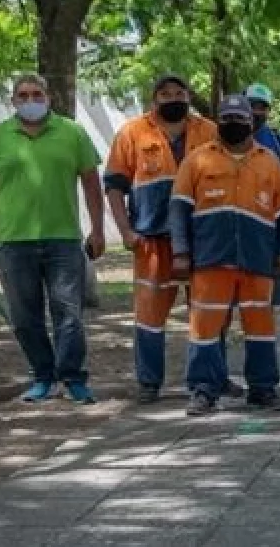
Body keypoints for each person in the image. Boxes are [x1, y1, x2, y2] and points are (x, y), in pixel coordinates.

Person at [0, 74, 105, 404]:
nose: (31, 100)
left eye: (37, 94)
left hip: (63, 239)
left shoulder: (72, 133)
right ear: (13, 101)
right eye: (23, 95)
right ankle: (43, 376)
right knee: (24, 317)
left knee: (69, 314)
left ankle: (72, 377)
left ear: (48, 97)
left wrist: (98, 229)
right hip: (13, 241)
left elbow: (91, 182)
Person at [169, 96, 280, 415]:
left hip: (258, 261)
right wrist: (180, 253)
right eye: (226, 117)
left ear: (251, 122)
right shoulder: (197, 160)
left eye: (240, 118)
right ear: (218, 121)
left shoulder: (270, 161)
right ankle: (203, 391)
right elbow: (179, 210)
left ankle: (263, 390)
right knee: (205, 330)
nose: (233, 123)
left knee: (260, 329)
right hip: (210, 260)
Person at [103, 74, 217, 403]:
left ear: (189, 97)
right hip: (152, 239)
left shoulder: (209, 131)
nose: (173, 99)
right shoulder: (132, 133)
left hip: (201, 238)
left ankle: (210, 380)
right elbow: (114, 186)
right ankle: (149, 383)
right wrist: (126, 231)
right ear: (154, 99)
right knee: (149, 316)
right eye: (165, 94)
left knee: (207, 311)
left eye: (179, 93)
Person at [246, 83, 280, 323]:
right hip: (234, 234)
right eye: (251, 105)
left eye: (262, 107)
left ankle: (265, 340)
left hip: (273, 234)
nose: (256, 111)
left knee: (272, 303)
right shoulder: (223, 138)